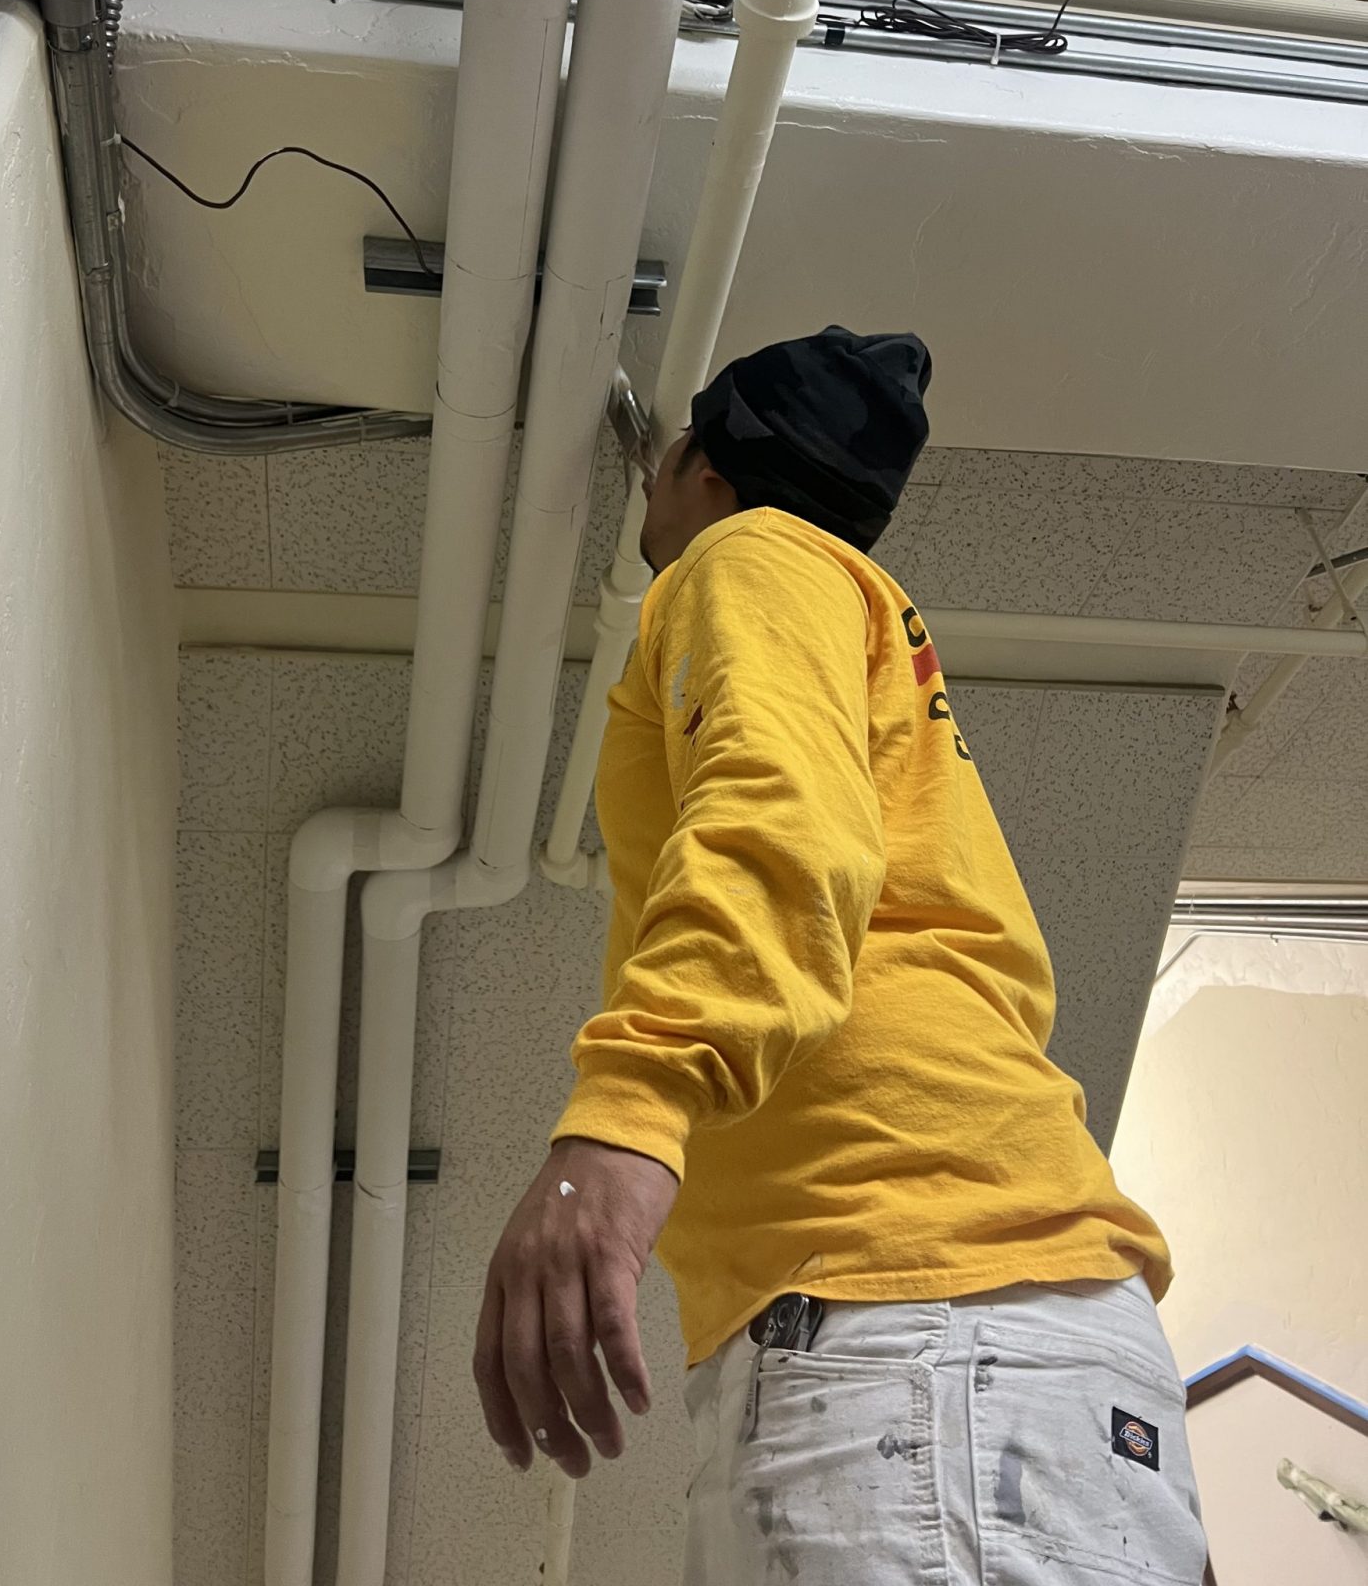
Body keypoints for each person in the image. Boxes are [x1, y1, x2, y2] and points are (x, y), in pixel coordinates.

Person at [474, 326, 1208, 1585]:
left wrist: (629, 1113)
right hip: (946, 1338)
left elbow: (784, 816)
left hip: (913, 1315)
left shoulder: (748, 553)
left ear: (706, 465)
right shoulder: (850, 604)